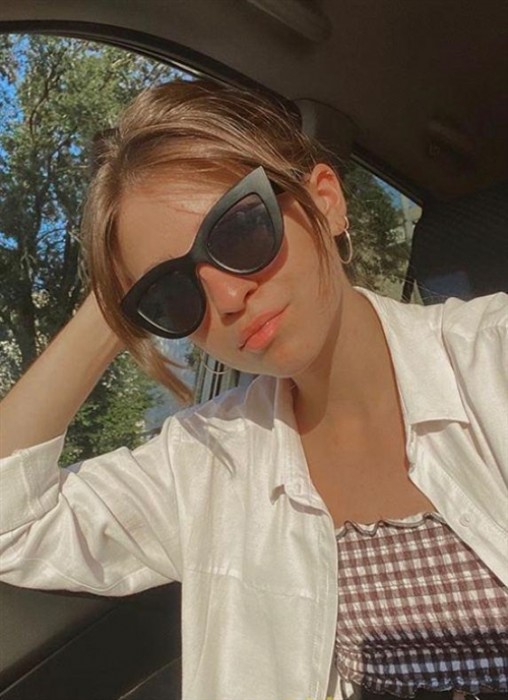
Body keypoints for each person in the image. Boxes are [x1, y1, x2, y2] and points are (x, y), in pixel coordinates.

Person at [0, 80, 507, 700]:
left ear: (325, 202)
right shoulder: (206, 460)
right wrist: (113, 301)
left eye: (239, 231)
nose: (227, 298)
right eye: (171, 293)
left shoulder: (491, 357)